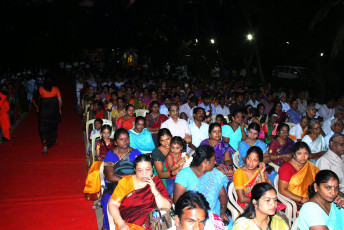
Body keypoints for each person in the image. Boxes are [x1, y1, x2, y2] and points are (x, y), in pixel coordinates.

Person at [173, 145, 232, 228]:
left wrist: (222, 211)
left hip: (216, 214)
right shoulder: (184, 174)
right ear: (205, 162)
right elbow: (177, 202)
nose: (215, 162)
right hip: (194, 217)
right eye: (213, 160)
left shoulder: (214, 173)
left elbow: (222, 195)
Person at [108, 155, 171, 229]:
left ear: (152, 169)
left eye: (147, 169)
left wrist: (155, 191)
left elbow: (167, 207)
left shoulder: (156, 182)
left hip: (154, 221)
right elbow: (113, 204)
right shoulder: (126, 182)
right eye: (140, 170)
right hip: (130, 224)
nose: (144, 173)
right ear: (135, 170)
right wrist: (120, 223)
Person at [101, 128, 142, 230]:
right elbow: (110, 176)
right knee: (108, 201)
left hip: (134, 185)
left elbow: (141, 172)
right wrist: (129, 178)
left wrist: (132, 179)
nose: (125, 141)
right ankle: (108, 226)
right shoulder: (111, 154)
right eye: (121, 139)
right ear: (115, 142)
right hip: (115, 186)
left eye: (127, 138)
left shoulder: (136, 153)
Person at [278, 142, 320, 209]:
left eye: (306, 153)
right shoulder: (286, 168)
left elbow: (319, 178)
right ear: (294, 154)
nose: (303, 157)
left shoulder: (308, 165)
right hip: (294, 200)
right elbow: (282, 190)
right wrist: (301, 200)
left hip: (309, 196)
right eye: (299, 153)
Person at [37, 78, 62, 154]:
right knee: (53, 127)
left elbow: (36, 99)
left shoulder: (41, 89)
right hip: (53, 112)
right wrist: (59, 109)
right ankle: (53, 140)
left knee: (43, 129)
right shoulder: (55, 89)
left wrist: (38, 108)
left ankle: (45, 145)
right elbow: (60, 100)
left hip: (43, 113)